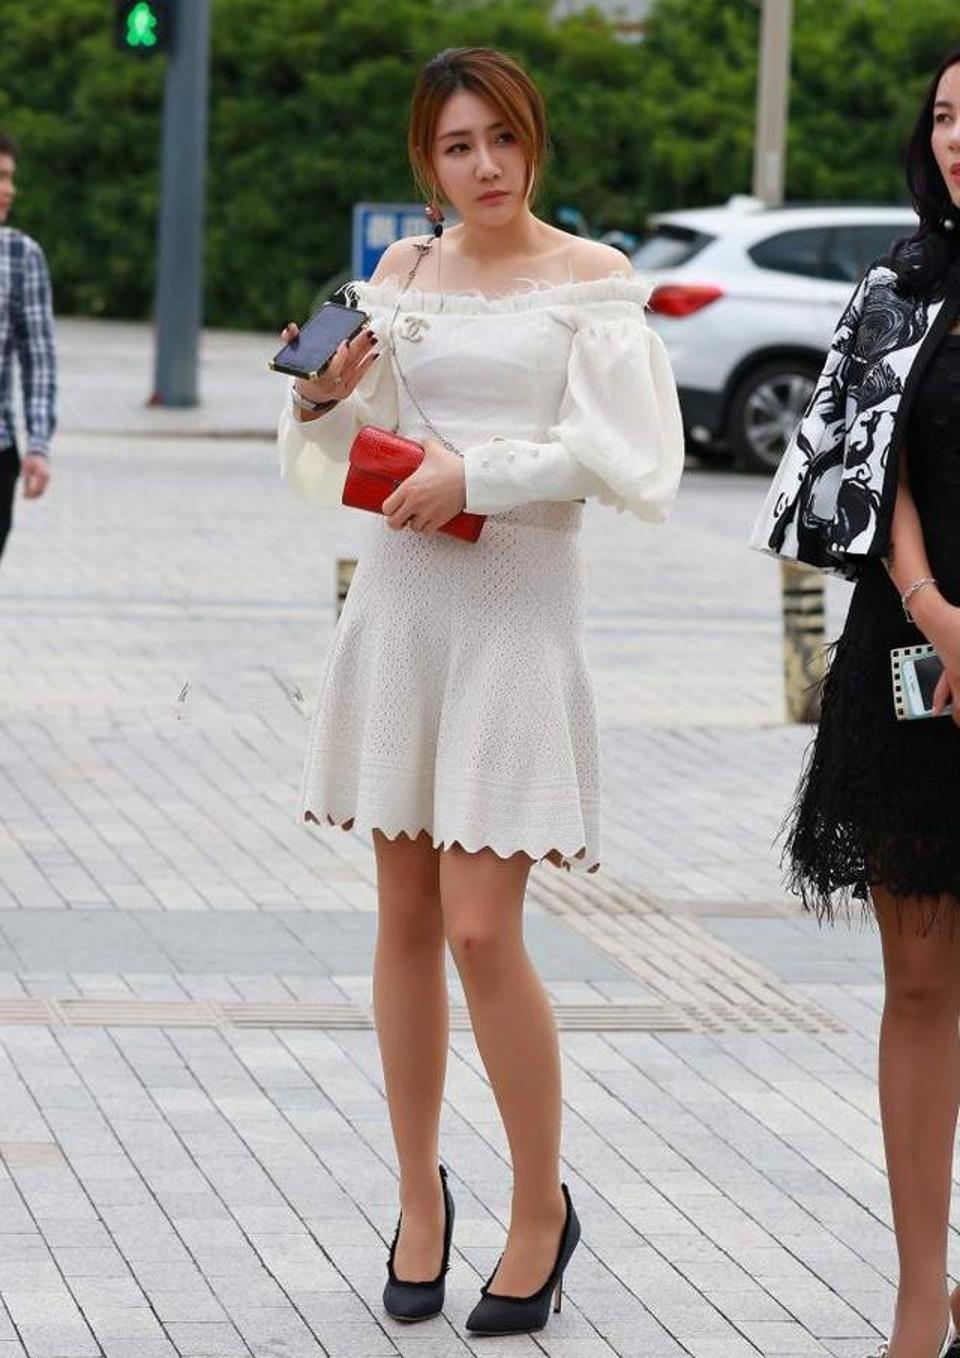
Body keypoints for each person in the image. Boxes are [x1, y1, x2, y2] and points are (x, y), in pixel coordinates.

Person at [277, 46, 683, 1337]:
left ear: (533, 139)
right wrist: (324, 397)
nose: (486, 165)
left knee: (480, 927)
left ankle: (540, 1207)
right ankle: (418, 1198)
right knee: (402, 914)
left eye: (502, 137)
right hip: (403, 605)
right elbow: (336, 455)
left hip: (515, 614)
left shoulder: (590, 279)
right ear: (428, 162)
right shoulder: (398, 276)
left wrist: (480, 475)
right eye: (459, 146)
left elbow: (629, 458)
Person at [751, 46, 960, 1358]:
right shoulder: (896, 287)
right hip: (909, 651)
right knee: (922, 978)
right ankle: (917, 1291)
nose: (958, 137)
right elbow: (858, 467)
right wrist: (934, 605)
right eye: (945, 116)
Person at [0, 130, 55, 564]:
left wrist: (38, 444)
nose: (9, 189)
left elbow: (38, 360)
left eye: (10, 177)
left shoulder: (21, 256)